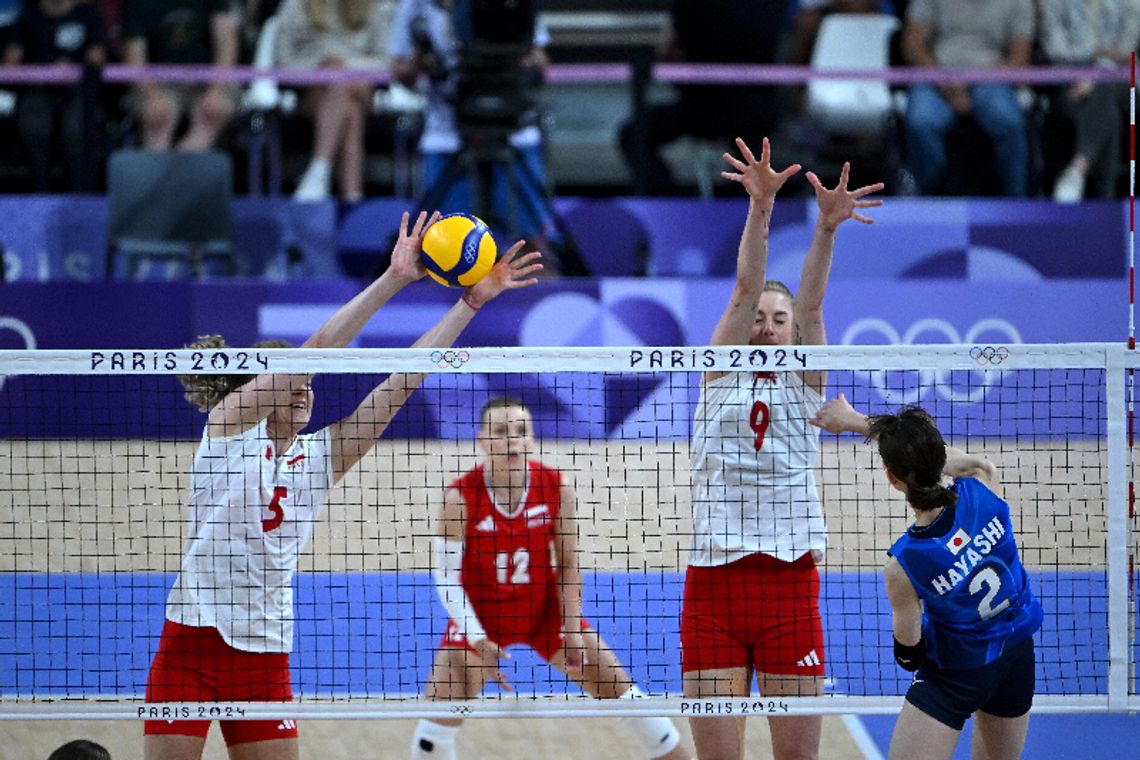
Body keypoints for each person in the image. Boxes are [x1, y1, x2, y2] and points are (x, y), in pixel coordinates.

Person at [142, 211, 542, 760]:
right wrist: (394, 277)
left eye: (308, 384)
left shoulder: (322, 456)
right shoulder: (229, 428)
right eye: (294, 381)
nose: (305, 390)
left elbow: (404, 380)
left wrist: (469, 304)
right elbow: (323, 345)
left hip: (264, 652)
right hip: (190, 642)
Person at [682, 137, 882, 760]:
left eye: (779, 318)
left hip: (789, 585)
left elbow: (815, 300)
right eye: (759, 318)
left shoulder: (805, 382)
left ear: (794, 331)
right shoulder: (718, 374)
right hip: (712, 585)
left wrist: (826, 228)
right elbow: (744, 286)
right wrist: (761, 208)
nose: (767, 325)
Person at [410, 396, 693, 760]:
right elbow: (447, 579)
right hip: (480, 616)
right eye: (501, 431)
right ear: (483, 440)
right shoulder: (459, 498)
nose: (512, 439)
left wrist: (572, 629)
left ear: (531, 439)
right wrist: (477, 639)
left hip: (544, 611)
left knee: (629, 700)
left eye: (520, 431)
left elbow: (570, 564)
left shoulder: (556, 487)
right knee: (434, 730)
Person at [809, 399, 1044, 760]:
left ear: (892, 478)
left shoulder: (904, 563)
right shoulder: (982, 484)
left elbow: (909, 654)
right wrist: (861, 423)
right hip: (1016, 659)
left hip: (956, 674)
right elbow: (957, 462)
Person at [387, 0, 561, 256]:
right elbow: (399, 68)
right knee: (445, 249)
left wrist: (523, 60)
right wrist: (421, 61)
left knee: (532, 243)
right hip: (445, 133)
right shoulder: (416, 6)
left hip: (513, 131)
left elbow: (540, 60)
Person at [617, 0, 787, 197]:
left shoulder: (690, 5)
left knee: (633, 134)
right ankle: (748, 209)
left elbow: (665, 49)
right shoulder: (772, 5)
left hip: (703, 109)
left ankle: (670, 206)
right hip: (756, 110)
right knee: (752, 150)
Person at [900, 0, 1035, 196]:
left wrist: (975, 80)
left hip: (992, 79)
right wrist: (946, 82)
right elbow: (912, 46)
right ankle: (931, 199)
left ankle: (1015, 204)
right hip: (937, 76)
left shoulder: (1019, 3)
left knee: (1009, 122)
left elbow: (1019, 59)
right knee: (920, 121)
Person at [275, 0, 397, 202]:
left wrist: (346, 66)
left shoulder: (378, 7)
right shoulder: (294, 6)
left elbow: (388, 62)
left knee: (342, 84)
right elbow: (283, 62)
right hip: (314, 92)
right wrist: (320, 66)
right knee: (349, 108)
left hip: (362, 87)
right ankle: (352, 198)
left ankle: (318, 170)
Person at [1039, 0, 1139, 202]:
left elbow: (1126, 51)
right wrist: (1095, 59)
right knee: (1107, 108)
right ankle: (1106, 200)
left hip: (1123, 83)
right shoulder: (1054, 3)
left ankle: (1078, 168)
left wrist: (1096, 75)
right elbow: (1055, 49)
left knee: (1107, 86)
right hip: (1071, 82)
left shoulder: (1130, 4)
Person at [2, 0, 106, 191]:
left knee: (77, 129)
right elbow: (10, 63)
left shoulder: (87, 14)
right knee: (34, 126)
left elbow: (97, 56)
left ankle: (79, 192)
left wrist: (72, 69)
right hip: (37, 88)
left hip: (77, 89)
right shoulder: (28, 16)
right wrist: (43, 73)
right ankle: (38, 191)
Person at [121, 0, 239, 151]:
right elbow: (135, 57)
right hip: (158, 83)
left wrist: (216, 90)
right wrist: (152, 97)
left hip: (210, 81)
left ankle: (179, 166)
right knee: (158, 118)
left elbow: (227, 43)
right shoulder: (137, 4)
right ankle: (161, 168)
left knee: (214, 111)